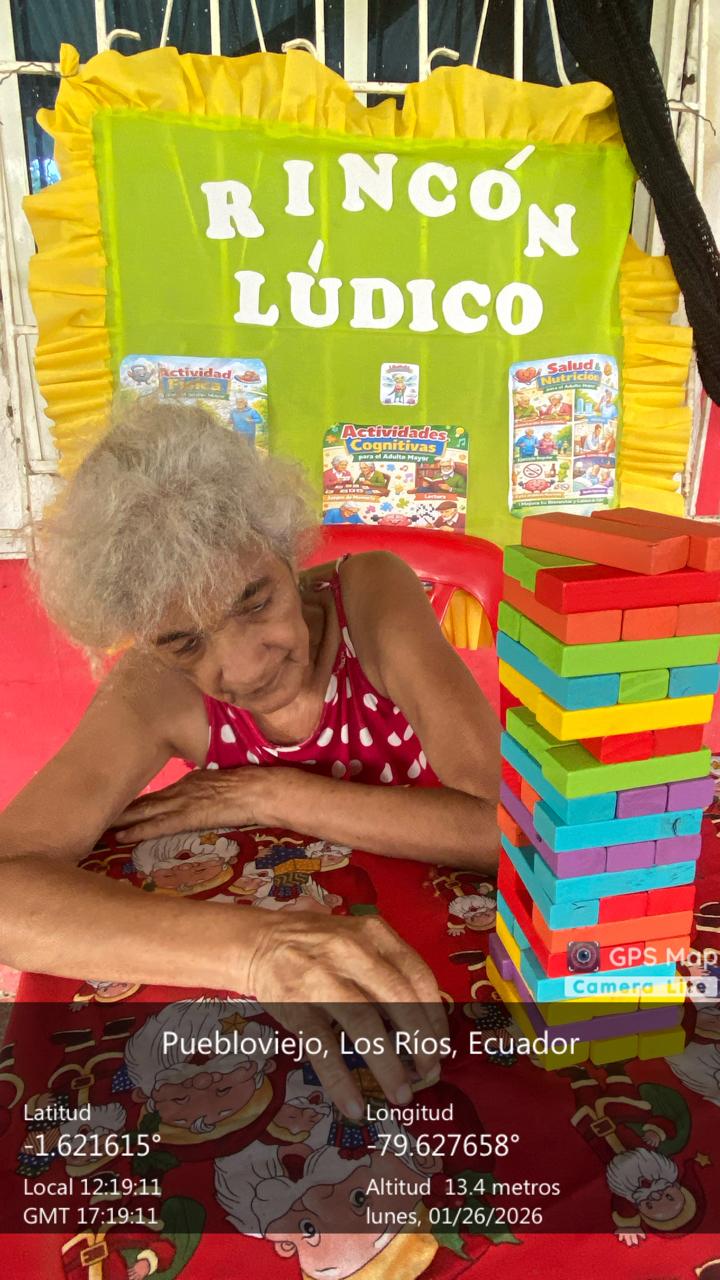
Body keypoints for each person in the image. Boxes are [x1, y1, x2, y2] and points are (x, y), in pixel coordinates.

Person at [0, 399, 500, 1119]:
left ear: (286, 551)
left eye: (254, 600)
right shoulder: (155, 686)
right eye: (184, 641)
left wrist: (270, 793)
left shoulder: (372, 595)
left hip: (446, 954)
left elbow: (500, 830)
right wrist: (256, 952)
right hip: (281, 997)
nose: (243, 667)